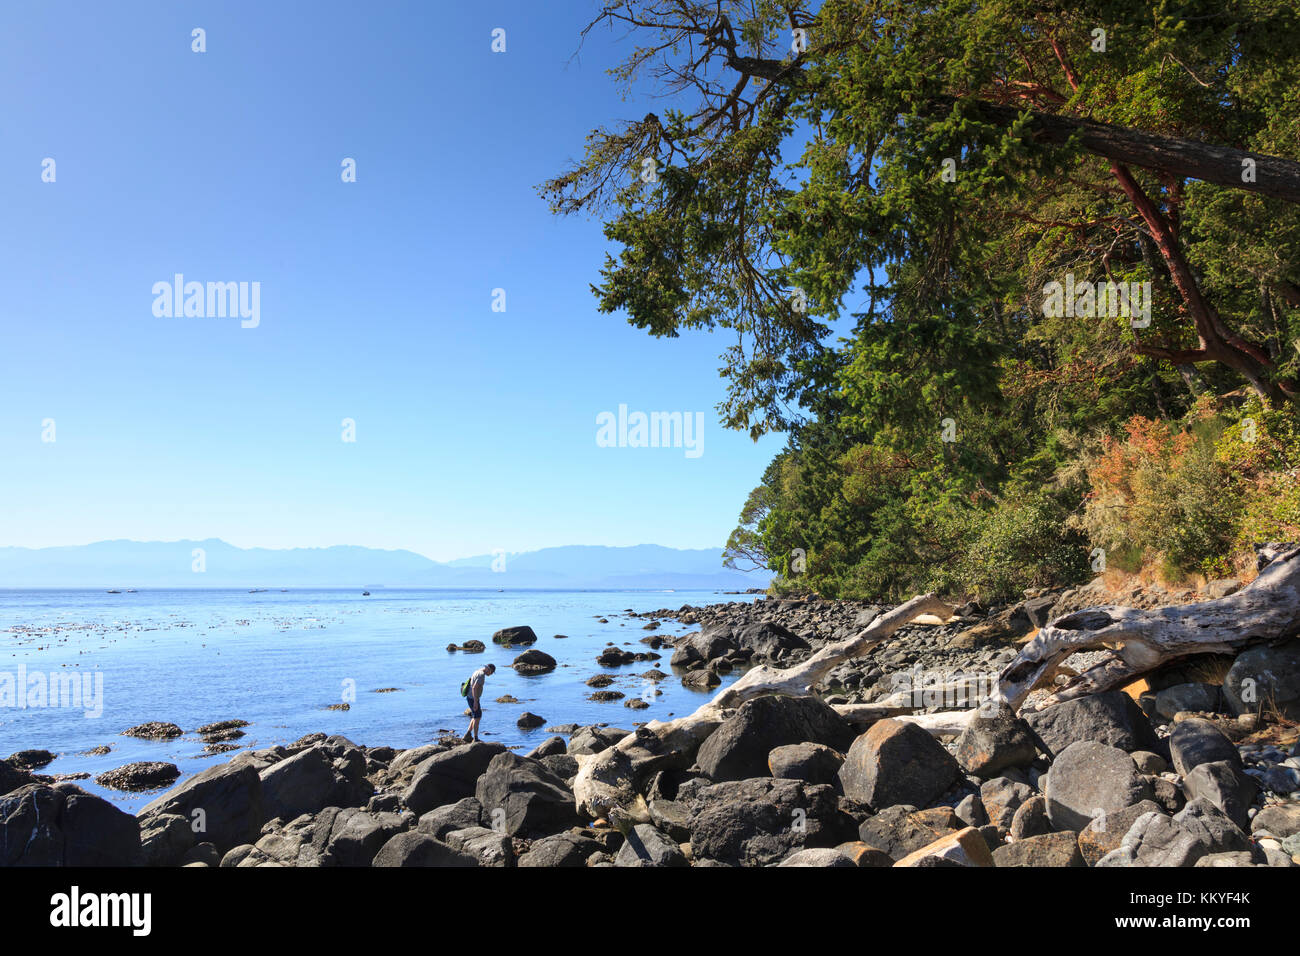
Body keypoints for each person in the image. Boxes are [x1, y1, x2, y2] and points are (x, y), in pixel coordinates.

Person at [463, 663, 495, 742]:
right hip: (473, 698)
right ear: (488, 669)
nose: (490, 674)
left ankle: (467, 735)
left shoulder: (477, 671)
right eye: (491, 672)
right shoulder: (481, 675)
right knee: (477, 717)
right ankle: (475, 738)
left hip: (470, 697)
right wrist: (475, 702)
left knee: (475, 716)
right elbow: (474, 688)